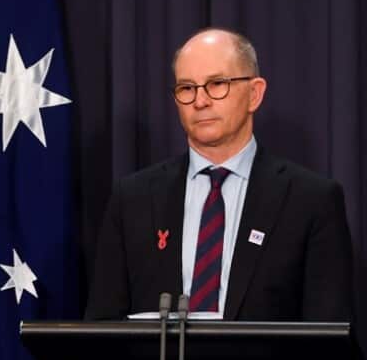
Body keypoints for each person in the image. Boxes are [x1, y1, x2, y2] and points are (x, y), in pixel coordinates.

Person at [86, 28, 352, 321]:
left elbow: (328, 338)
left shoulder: (310, 201)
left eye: (217, 84)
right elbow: (102, 326)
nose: (200, 101)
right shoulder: (132, 199)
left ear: (254, 94)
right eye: (187, 88)